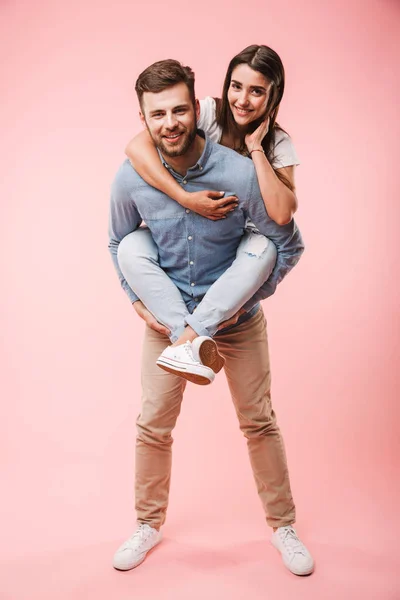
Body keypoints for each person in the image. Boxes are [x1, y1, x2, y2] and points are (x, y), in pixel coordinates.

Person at [108, 58, 314, 576]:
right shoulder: (132, 173)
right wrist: (136, 302)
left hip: (236, 320)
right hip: (168, 317)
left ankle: (283, 526)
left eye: (180, 109)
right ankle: (147, 524)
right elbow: (116, 242)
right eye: (158, 114)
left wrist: (243, 300)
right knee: (152, 425)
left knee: (259, 422)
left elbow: (287, 238)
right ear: (143, 117)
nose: (170, 122)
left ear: (195, 110)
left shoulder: (243, 169)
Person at [116, 45, 300, 383]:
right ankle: (191, 340)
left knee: (265, 246)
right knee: (131, 244)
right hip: (190, 257)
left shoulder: (279, 143)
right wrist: (185, 198)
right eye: (236, 86)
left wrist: (257, 148)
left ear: (274, 97)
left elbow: (283, 215)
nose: (242, 100)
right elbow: (136, 147)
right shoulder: (205, 114)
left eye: (256, 91)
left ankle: (187, 340)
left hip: (238, 258)